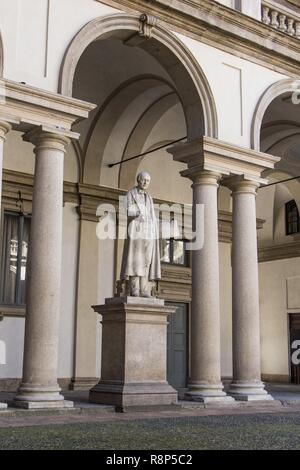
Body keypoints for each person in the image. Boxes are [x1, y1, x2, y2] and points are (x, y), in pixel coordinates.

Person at [120, 171, 161, 297]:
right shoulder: (130, 194)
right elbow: (127, 210)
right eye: (143, 180)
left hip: (148, 232)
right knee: (135, 260)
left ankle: (144, 289)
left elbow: (152, 215)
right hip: (136, 231)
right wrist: (138, 212)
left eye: (148, 181)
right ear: (138, 180)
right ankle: (134, 289)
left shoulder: (149, 197)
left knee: (146, 261)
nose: (145, 183)